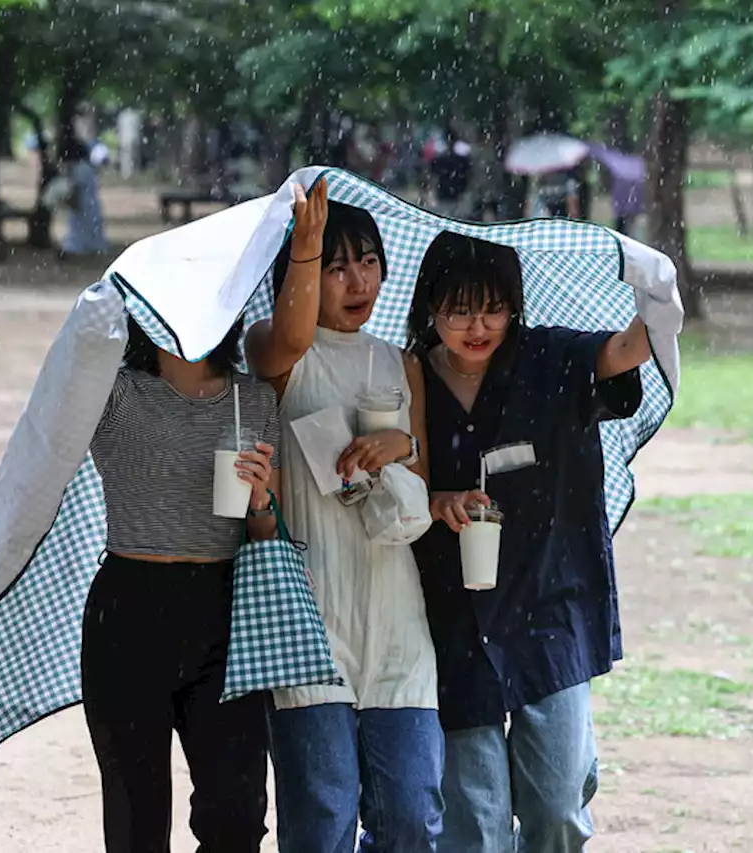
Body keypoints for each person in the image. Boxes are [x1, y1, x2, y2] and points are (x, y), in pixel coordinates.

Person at [407, 232, 650, 852]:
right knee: (476, 825)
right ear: (430, 309)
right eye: (457, 309)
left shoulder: (549, 359)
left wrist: (658, 297)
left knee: (558, 807)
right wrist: (438, 503)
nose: (476, 326)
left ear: (516, 307)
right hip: (449, 618)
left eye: (492, 308)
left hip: (550, 602)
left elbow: (626, 351)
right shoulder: (404, 379)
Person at [246, 179, 444, 853]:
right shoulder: (273, 350)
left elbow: (416, 487)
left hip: (397, 620)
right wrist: (305, 248)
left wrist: (403, 446)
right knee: (322, 819)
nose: (357, 280)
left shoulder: (400, 362)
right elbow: (293, 332)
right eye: (336, 267)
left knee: (412, 813)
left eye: (367, 262)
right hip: (311, 617)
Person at [83, 314, 282, 853]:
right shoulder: (114, 393)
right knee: (136, 820)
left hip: (223, 609)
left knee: (237, 816)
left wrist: (261, 501)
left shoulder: (254, 401)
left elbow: (266, 532)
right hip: (127, 609)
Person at [58, 138, 108, 257]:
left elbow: (76, 189)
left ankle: (78, 247)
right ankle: (91, 246)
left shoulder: (79, 169)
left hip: (84, 202)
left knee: (80, 226)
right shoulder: (87, 167)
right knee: (89, 226)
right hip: (91, 202)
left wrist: (70, 201)